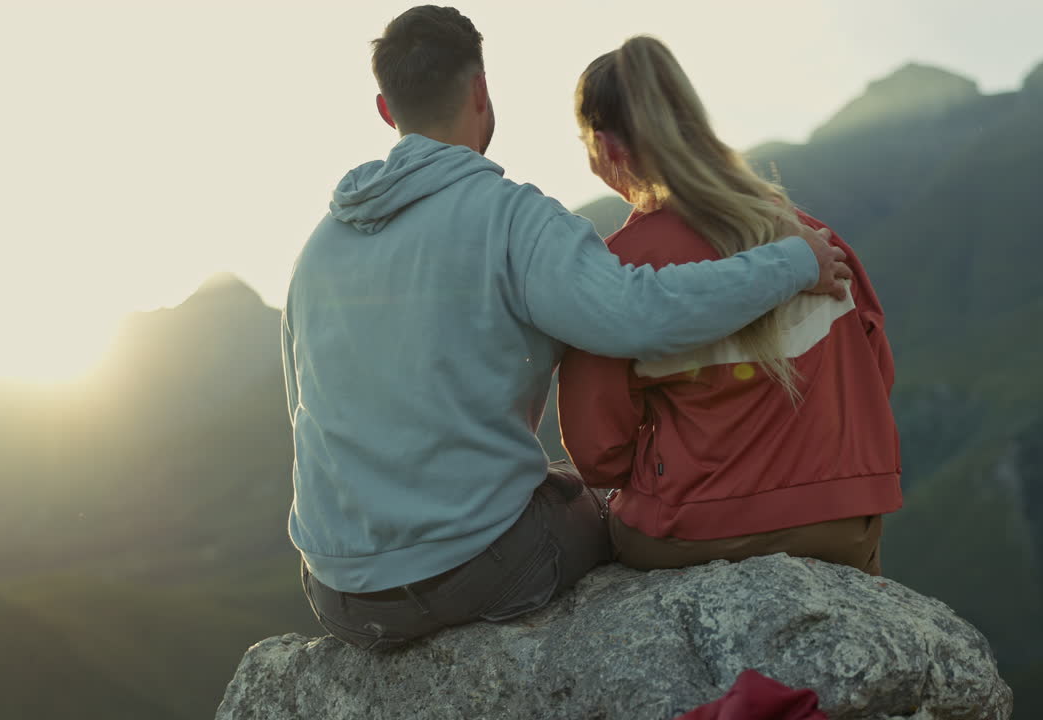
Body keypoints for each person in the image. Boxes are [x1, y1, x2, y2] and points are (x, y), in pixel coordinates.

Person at [283, 6, 852, 651]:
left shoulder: (316, 249)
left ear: (387, 110)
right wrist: (792, 261)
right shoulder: (512, 219)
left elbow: (303, 404)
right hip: (469, 573)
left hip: (338, 596)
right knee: (602, 509)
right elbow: (640, 314)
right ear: (480, 90)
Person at [558, 36, 902, 575]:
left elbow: (598, 449)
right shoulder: (814, 242)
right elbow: (875, 374)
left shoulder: (619, 271)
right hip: (841, 524)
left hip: (689, 530)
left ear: (605, 146)